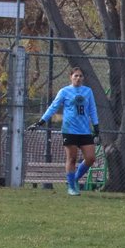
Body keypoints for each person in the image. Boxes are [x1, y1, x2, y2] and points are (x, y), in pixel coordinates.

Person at [33, 67, 99, 196]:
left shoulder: (88, 91)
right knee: (72, 158)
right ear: (71, 77)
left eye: (80, 76)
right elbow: (53, 107)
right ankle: (71, 187)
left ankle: (73, 179)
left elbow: (92, 109)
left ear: (83, 78)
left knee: (90, 158)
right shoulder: (64, 91)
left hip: (85, 131)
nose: (78, 78)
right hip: (70, 130)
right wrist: (41, 121)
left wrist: (96, 125)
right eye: (75, 76)